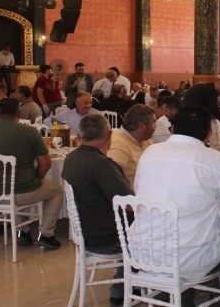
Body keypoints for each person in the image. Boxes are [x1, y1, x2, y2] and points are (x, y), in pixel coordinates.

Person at [134, 106, 220, 306]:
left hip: (144, 252)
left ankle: (172, 297)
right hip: (189, 259)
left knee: (189, 233)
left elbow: (139, 191)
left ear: (173, 129)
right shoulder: (212, 159)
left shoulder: (150, 152)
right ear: (209, 134)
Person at [62, 114, 132, 305]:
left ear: (79, 135)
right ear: (109, 135)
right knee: (153, 231)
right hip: (107, 238)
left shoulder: (71, 158)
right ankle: (134, 289)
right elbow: (128, 203)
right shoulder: (102, 166)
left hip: (85, 233)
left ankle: (124, 287)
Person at [0, 98, 64, 249]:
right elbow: (45, 163)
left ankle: (22, 231)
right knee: (57, 190)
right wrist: (36, 179)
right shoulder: (29, 131)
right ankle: (46, 234)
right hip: (20, 192)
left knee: (12, 183)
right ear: (19, 113)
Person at [107, 104, 156, 189]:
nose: (156, 127)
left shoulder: (146, 140)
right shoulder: (118, 144)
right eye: (154, 123)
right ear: (142, 127)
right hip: (131, 195)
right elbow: (114, 182)